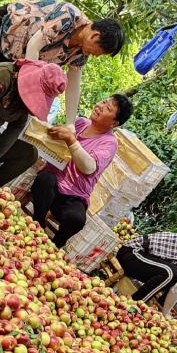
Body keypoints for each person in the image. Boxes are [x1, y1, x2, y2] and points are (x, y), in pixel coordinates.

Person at [0, 0, 125, 122]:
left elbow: (74, 85)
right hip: (4, 26)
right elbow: (34, 45)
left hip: (15, 56)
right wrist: (29, 87)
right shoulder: (69, 16)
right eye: (99, 51)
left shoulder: (80, 53)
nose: (95, 55)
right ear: (94, 36)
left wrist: (70, 124)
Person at [31, 93, 133, 248]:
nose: (100, 106)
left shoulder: (109, 143)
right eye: (103, 101)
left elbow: (88, 167)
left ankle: (55, 245)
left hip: (74, 195)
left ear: (114, 122)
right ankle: (37, 226)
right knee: (44, 180)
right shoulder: (80, 123)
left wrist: (71, 140)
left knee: (77, 219)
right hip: (53, 182)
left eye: (107, 108)